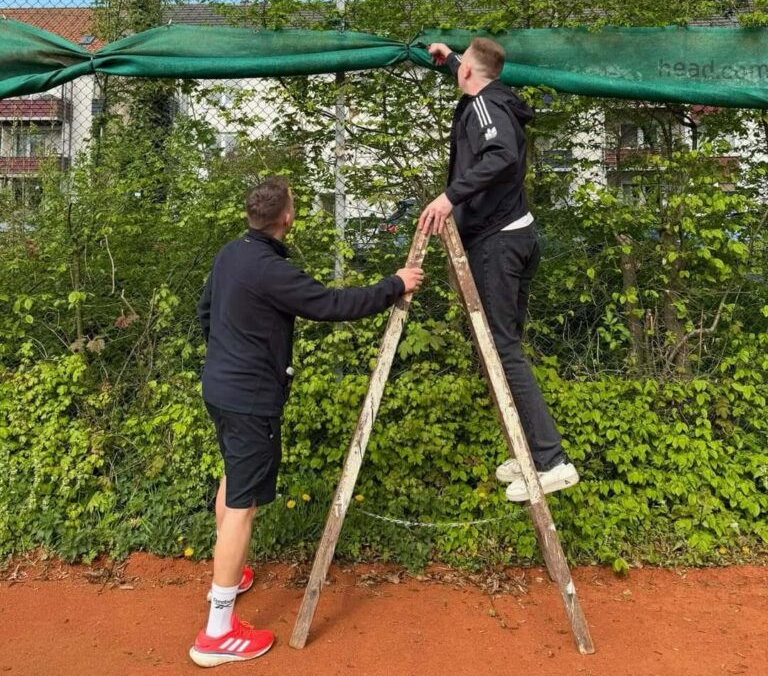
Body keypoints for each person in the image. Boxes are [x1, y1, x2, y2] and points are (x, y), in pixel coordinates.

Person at [190, 176, 424, 667]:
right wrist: (396, 285)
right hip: (249, 399)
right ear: (287, 217)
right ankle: (216, 631)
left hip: (220, 390)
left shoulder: (231, 254)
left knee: (234, 478)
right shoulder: (270, 270)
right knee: (243, 507)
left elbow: (205, 311)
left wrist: (230, 356)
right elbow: (331, 305)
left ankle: (233, 573)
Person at [418, 37, 578, 503]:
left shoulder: (484, 105)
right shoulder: (495, 96)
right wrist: (449, 58)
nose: (458, 70)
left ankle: (551, 460)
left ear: (471, 73)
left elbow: (501, 153)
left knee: (502, 349)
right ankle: (530, 452)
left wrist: (448, 197)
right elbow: (473, 76)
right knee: (504, 348)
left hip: (498, 242)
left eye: (461, 65)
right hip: (517, 236)